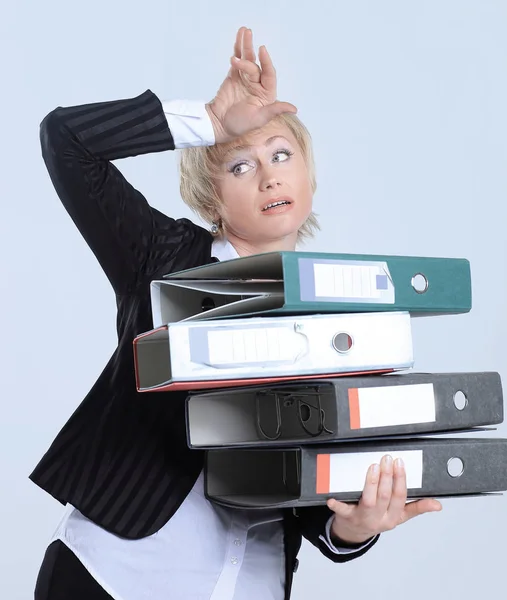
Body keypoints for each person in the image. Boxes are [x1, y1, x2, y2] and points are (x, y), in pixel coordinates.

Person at [31, 26, 442, 600]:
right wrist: (209, 123)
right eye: (240, 165)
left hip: (248, 582)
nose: (270, 174)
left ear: (309, 176)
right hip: (114, 574)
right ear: (210, 198)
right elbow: (66, 138)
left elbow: (315, 488)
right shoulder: (162, 258)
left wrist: (350, 527)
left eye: (280, 154)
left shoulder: (348, 327)